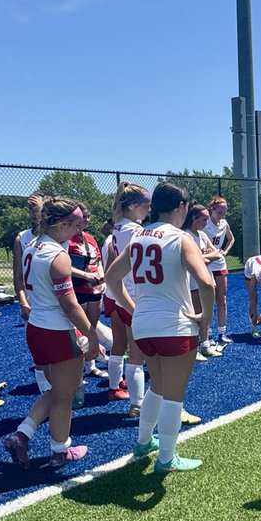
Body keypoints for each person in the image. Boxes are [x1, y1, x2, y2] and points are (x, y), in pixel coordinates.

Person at [106, 181, 213, 472]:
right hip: (174, 324)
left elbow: (112, 277)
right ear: (180, 207)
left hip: (144, 325)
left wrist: (133, 308)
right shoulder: (180, 238)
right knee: (174, 394)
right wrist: (205, 317)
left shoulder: (139, 236)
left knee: (158, 387)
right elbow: (206, 281)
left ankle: (144, 441)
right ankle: (166, 458)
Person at [3, 197, 99, 469]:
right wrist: (91, 334)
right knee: (65, 397)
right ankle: (60, 451)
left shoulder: (32, 245)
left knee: (56, 391)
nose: (78, 232)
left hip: (36, 328)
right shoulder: (57, 255)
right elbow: (69, 305)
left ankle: (22, 435)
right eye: (75, 225)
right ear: (61, 223)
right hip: (57, 331)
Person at [103, 183, 150, 411]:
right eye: (145, 204)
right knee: (137, 354)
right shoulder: (136, 231)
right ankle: (137, 404)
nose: (149, 209)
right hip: (130, 295)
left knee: (118, 346)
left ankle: (113, 388)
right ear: (132, 206)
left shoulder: (117, 228)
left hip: (114, 294)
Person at [12, 192, 52, 393]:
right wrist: (23, 302)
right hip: (35, 300)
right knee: (39, 347)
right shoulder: (23, 238)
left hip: (57, 297)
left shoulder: (58, 235)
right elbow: (18, 277)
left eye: (38, 209)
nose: (34, 213)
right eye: (31, 209)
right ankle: (46, 390)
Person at [68, 202, 108, 378]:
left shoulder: (90, 238)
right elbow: (64, 266)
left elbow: (98, 260)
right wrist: (85, 276)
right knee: (80, 329)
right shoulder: (67, 240)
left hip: (94, 288)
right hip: (78, 287)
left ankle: (90, 365)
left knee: (91, 327)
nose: (87, 221)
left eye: (88, 217)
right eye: (84, 218)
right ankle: (77, 368)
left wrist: (100, 276)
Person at [183, 202, 224, 359]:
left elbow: (217, 253)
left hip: (207, 278)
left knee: (207, 314)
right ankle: (194, 347)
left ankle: (205, 345)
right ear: (194, 218)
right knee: (196, 314)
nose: (207, 223)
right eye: (204, 219)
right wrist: (204, 257)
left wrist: (203, 256)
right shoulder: (186, 236)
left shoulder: (203, 235)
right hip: (193, 282)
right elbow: (194, 260)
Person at [203, 196, 235, 345]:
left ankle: (222, 332)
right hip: (207, 263)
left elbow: (231, 238)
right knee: (207, 300)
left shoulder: (224, 223)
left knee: (222, 299)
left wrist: (225, 251)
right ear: (212, 209)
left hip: (220, 263)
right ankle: (207, 334)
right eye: (220, 212)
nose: (222, 215)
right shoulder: (204, 222)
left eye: (224, 212)